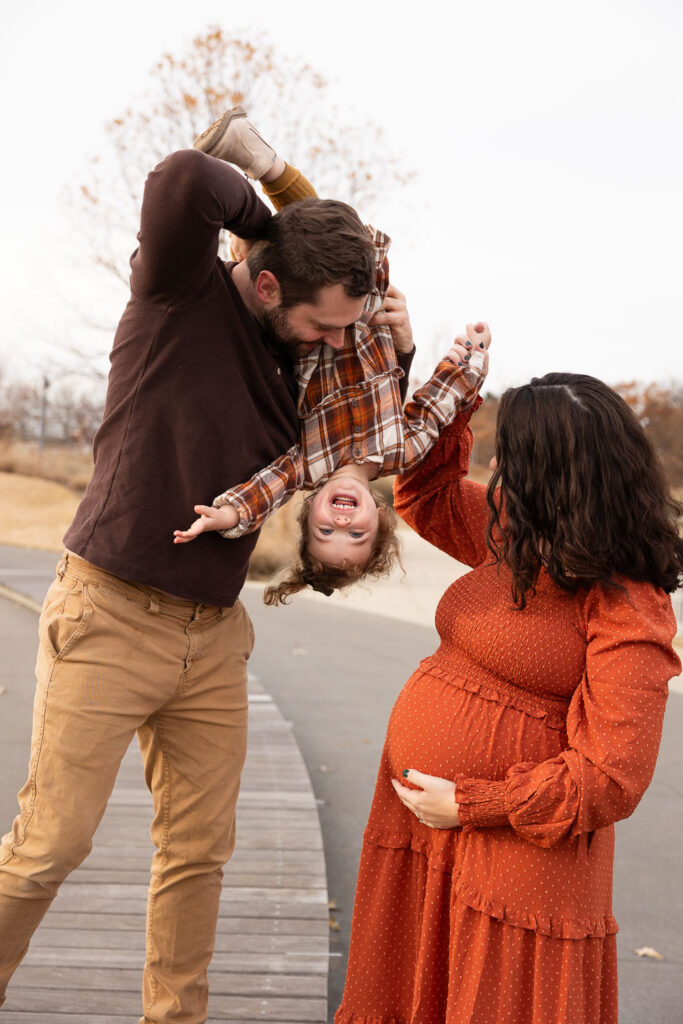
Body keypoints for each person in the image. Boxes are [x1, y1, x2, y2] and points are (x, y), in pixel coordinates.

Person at [0, 123, 380, 1022]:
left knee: (199, 854)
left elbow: (351, 260)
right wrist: (262, 205)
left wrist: (299, 208)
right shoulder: (177, 291)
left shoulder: (306, 357)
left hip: (213, 642)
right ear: (265, 280)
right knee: (50, 846)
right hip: (108, 616)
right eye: (321, 322)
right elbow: (182, 177)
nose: (332, 342)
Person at [336, 373, 683, 1024]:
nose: (494, 465)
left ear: (556, 475)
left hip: (516, 858)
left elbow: (612, 778)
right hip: (426, 838)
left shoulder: (627, 602)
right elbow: (427, 493)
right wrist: (455, 390)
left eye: (512, 455)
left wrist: (472, 803)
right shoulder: (519, 534)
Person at [174, 109, 490, 601]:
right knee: (341, 249)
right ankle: (264, 169)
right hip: (367, 316)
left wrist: (231, 515)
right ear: (380, 516)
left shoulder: (306, 464)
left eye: (326, 532)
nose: (342, 522)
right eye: (356, 533)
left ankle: (249, 188)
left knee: (304, 259)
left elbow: (268, 487)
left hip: (317, 328)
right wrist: (468, 360)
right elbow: (434, 407)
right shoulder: (401, 453)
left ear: (310, 511)